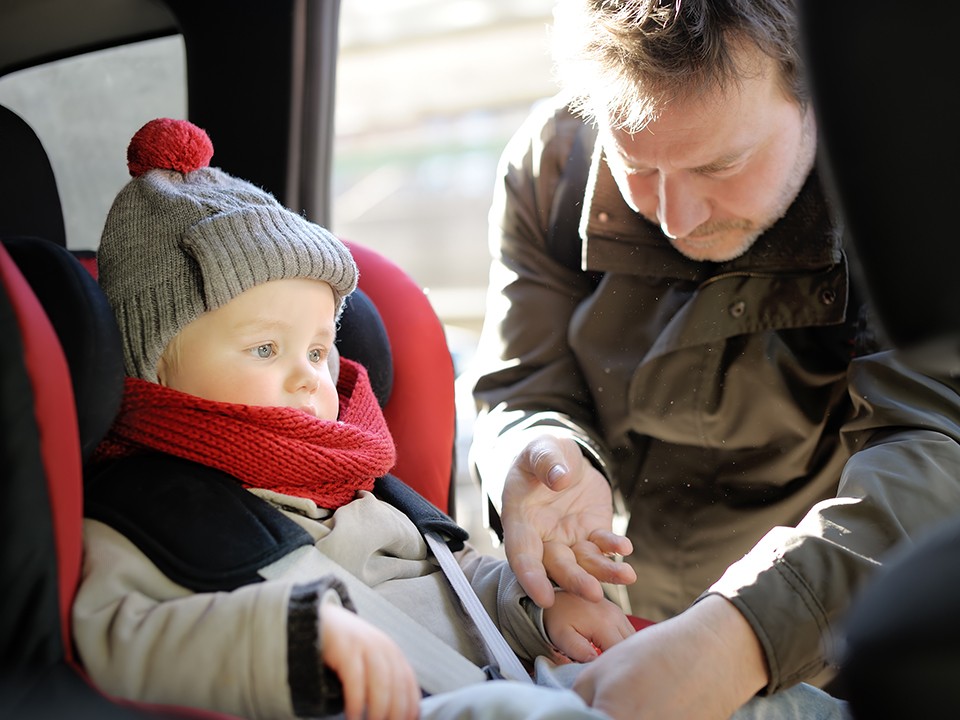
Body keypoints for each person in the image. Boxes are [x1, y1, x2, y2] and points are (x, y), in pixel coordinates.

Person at [469, 1, 960, 718]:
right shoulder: (551, 166)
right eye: (634, 163)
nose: (676, 215)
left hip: (838, 649)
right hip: (609, 627)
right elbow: (519, 385)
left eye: (721, 164)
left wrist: (742, 635)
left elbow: (937, 454)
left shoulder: (916, 190)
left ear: (819, 93)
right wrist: (535, 449)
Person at [71, 118, 636, 720]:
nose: (307, 377)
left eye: (318, 352)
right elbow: (117, 637)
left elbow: (452, 581)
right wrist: (288, 639)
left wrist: (536, 613)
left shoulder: (353, 484)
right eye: (266, 349)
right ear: (155, 367)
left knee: (645, 680)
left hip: (495, 681)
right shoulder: (143, 513)